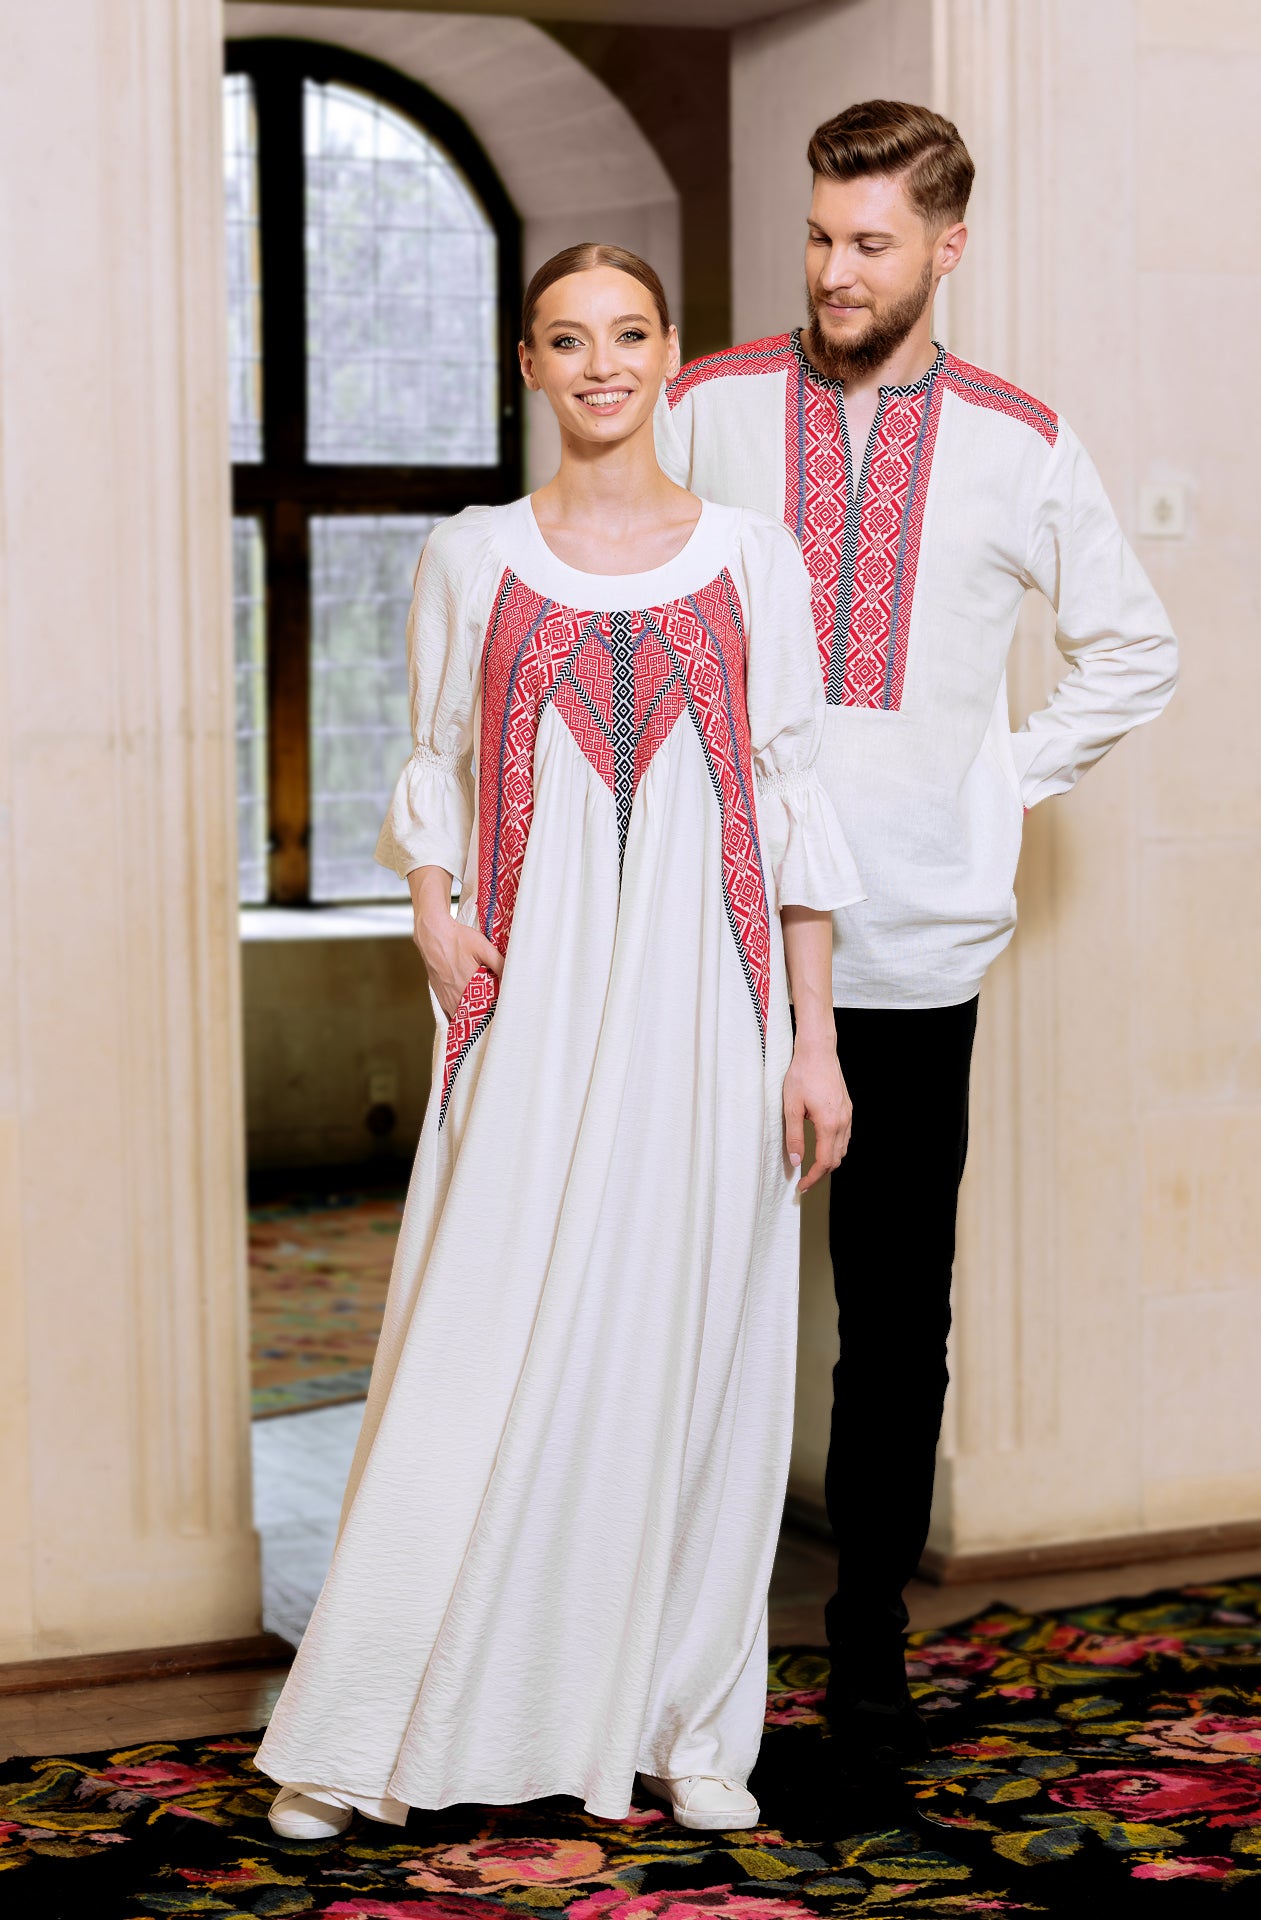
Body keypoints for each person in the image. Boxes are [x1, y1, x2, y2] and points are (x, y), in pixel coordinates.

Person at [255, 243, 863, 1837]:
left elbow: (792, 813)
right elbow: (435, 767)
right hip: (522, 1009)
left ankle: (687, 1726)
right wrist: (431, 912)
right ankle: (363, 1736)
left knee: (694, 1358)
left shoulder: (752, 559)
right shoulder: (470, 554)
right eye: (568, 339)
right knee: (470, 1346)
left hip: (712, 1018)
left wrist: (812, 1043)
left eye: (629, 334)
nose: (602, 364)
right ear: (526, 362)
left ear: (668, 353)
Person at [655, 100, 1178, 1764]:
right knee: (673, 1300)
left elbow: (1132, 647)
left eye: (869, 243)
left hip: (910, 951)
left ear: (946, 248)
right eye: (819, 235)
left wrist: (988, 782)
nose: (833, 270)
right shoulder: (705, 407)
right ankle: (649, 1649)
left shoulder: (1022, 440)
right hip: (712, 940)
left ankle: (865, 1649)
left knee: (891, 1322)